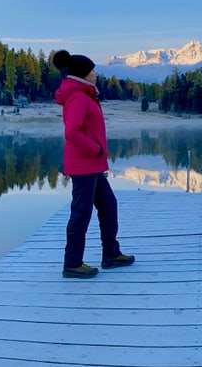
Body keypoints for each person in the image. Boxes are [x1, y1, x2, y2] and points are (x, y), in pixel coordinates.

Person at [53, 50, 134, 279]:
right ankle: (72, 264)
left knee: (109, 206)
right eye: (92, 71)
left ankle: (111, 254)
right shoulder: (79, 97)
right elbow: (72, 132)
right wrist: (96, 149)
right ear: (83, 74)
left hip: (93, 166)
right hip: (84, 165)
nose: (96, 74)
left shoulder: (84, 94)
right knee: (81, 214)